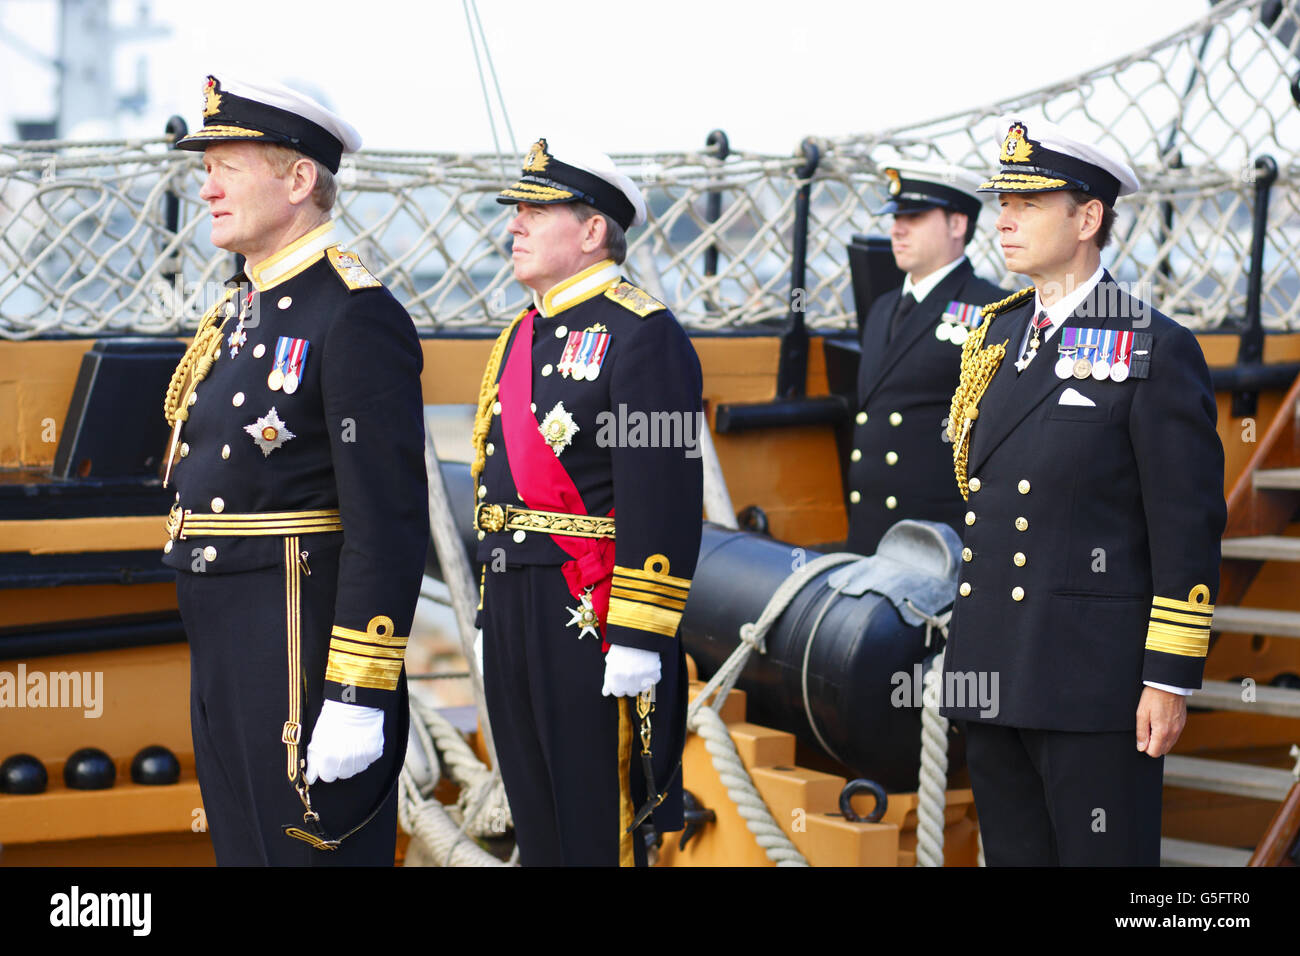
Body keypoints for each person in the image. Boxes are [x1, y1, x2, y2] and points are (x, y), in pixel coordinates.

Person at [941, 118, 1225, 865]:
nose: (1002, 219)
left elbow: (1186, 526)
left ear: (1088, 217)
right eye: (1002, 201)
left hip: (1093, 686)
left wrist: (1168, 678)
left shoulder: (1156, 347)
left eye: (1028, 204)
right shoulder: (995, 339)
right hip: (993, 671)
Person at [161, 75, 427, 865]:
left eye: (226, 168)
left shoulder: (353, 313)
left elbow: (388, 523)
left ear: (299, 178)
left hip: (298, 647)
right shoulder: (238, 310)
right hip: (225, 634)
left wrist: (357, 692)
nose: (204, 186)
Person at [473, 138, 703, 866]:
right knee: (537, 816)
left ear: (593, 230)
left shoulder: (643, 335)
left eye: (535, 212)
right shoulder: (519, 335)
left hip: (593, 611)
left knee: (594, 823)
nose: (514, 225)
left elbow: (662, 494)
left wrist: (638, 632)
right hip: (514, 600)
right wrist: (489, 612)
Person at [846, 162, 1004, 555]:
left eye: (913, 217)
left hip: (937, 541)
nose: (897, 228)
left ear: (957, 225)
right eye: (896, 217)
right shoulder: (882, 308)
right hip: (868, 533)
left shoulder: (991, 311)